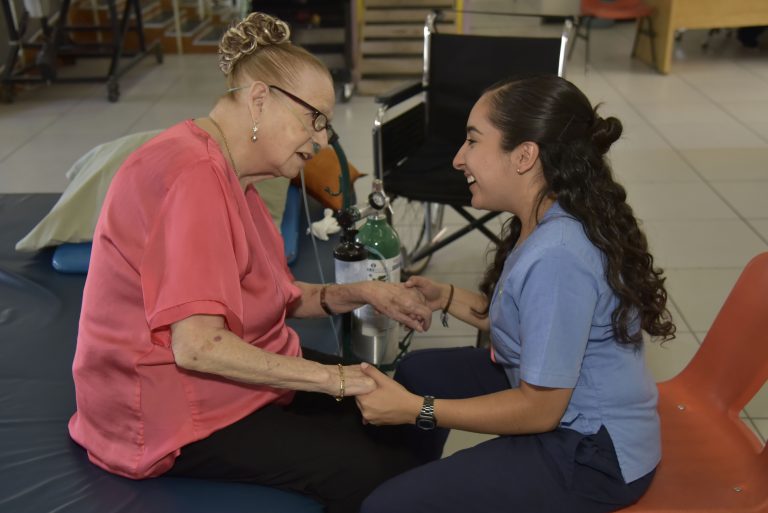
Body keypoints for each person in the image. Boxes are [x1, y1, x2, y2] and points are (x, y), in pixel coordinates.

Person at [68, 12, 430, 513]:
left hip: (226, 375)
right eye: (316, 119)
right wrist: (337, 380)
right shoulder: (193, 176)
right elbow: (198, 347)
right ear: (260, 99)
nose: (323, 140)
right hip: (166, 406)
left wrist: (364, 293)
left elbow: (276, 296)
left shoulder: (234, 176)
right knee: (374, 468)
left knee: (406, 414)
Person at [355, 75, 676, 513]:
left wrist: (418, 410)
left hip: (593, 452)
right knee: (418, 371)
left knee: (386, 507)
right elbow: (524, 319)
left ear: (525, 155)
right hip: (553, 397)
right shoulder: (547, 214)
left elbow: (540, 410)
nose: (458, 158)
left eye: (473, 141)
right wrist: (443, 295)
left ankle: (412, 494)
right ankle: (416, 480)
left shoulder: (558, 255)